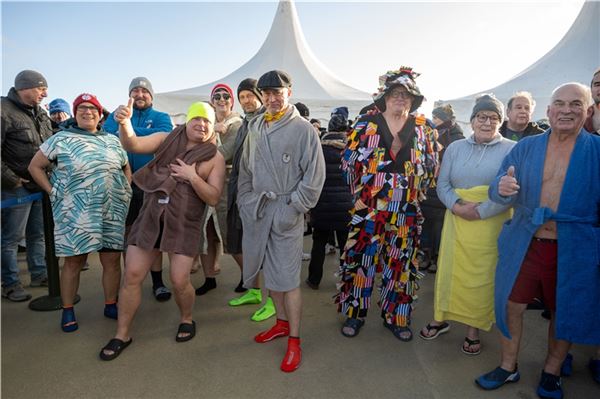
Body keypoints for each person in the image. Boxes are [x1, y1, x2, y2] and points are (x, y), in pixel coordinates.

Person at [475, 83, 600, 399]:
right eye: (559, 103)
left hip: (575, 246)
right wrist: (500, 188)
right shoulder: (525, 147)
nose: (567, 109)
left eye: (576, 103)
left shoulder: (596, 151)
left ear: (588, 111)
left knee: (565, 311)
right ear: (549, 111)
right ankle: (507, 365)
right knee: (510, 304)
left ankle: (551, 372)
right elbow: (496, 189)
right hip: (525, 241)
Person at [99, 100, 224, 360]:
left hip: (184, 222)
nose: (201, 124)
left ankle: (187, 318)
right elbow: (132, 144)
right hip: (151, 216)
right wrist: (124, 124)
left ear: (213, 127)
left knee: (180, 280)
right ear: (187, 121)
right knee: (132, 274)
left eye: (207, 121)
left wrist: (192, 176)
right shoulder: (166, 138)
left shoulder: (215, 157)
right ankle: (122, 334)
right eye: (196, 119)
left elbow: (213, 197)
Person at [336, 67, 438, 342]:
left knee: (401, 265)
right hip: (367, 210)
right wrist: (356, 196)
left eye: (406, 95)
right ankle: (354, 314)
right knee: (361, 261)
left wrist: (417, 196)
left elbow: (430, 168)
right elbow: (348, 163)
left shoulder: (423, 130)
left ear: (414, 100)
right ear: (384, 97)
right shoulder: (365, 125)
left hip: (404, 212)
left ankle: (396, 317)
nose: (400, 99)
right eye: (395, 94)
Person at [238, 70, 325, 372]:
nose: (272, 99)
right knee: (271, 276)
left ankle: (295, 340)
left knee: (288, 281)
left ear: (290, 92)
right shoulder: (256, 125)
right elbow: (246, 169)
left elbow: (314, 178)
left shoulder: (303, 129)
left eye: (278, 92)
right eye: (267, 93)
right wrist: (245, 200)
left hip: (287, 210)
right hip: (260, 210)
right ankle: (280, 323)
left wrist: (293, 209)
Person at [419, 95, 515, 355]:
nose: (487, 122)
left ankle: (473, 329)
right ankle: (441, 318)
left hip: (490, 224)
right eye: (481, 117)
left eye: (493, 118)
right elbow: (442, 185)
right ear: (472, 121)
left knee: (481, 278)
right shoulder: (455, 148)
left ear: (501, 121)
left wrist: (481, 212)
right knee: (450, 271)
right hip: (457, 218)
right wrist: (456, 206)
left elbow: (511, 192)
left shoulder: (511, 150)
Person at [28, 93, 132, 332]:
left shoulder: (112, 139)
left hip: (111, 210)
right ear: (75, 113)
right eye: (82, 108)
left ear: (100, 114)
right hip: (74, 213)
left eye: (93, 108)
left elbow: (126, 166)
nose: (88, 112)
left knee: (112, 260)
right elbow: (35, 166)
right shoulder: (61, 139)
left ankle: (110, 303)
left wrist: (125, 189)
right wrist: (52, 191)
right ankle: (67, 310)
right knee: (74, 261)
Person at [104, 77, 174, 302]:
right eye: (135, 91)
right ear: (129, 95)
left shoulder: (161, 117)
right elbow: (107, 138)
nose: (140, 94)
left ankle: (157, 282)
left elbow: (163, 140)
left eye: (144, 91)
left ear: (151, 96)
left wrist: (128, 128)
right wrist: (124, 124)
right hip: (121, 184)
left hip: (150, 185)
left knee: (153, 234)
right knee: (126, 232)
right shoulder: (115, 116)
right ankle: (130, 279)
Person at [226, 78, 276, 322]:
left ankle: (271, 301)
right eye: (242, 96)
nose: (246, 100)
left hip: (259, 196)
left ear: (260, 96)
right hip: (239, 191)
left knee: (264, 249)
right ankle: (254, 291)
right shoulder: (246, 122)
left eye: (250, 95)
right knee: (239, 244)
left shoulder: (266, 121)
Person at [1, 70, 51, 302]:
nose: (45, 93)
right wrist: (12, 179)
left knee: (37, 234)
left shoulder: (40, 114)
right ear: (25, 88)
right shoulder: (3, 111)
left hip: (38, 184)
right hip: (15, 187)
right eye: (41, 88)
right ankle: (10, 284)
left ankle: (39, 274)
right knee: (11, 238)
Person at [195, 84, 242, 296]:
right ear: (212, 101)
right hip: (205, 184)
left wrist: (204, 151)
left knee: (230, 235)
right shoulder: (208, 123)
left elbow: (227, 152)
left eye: (226, 96)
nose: (221, 99)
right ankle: (209, 278)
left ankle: (248, 278)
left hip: (228, 186)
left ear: (232, 101)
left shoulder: (238, 124)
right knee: (206, 234)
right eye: (217, 96)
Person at [305, 111, 353, 289]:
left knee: (318, 243)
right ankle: (347, 280)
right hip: (346, 206)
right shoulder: (351, 150)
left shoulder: (317, 149)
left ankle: (313, 280)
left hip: (321, 204)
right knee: (345, 246)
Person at [419, 103, 464, 273]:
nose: (433, 120)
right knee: (427, 223)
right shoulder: (432, 134)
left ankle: (437, 257)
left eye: (436, 117)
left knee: (439, 225)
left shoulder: (456, 137)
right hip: (429, 185)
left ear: (444, 119)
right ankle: (426, 255)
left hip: (443, 185)